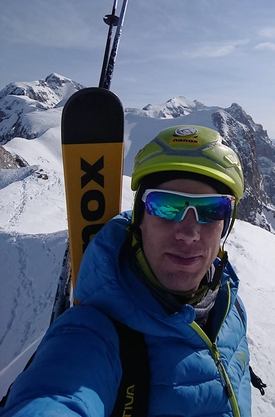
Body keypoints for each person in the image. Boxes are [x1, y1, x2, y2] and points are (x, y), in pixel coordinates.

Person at [1, 125, 252, 416]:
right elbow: (58, 393)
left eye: (211, 210)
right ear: (139, 218)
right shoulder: (96, 333)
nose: (188, 233)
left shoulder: (228, 306)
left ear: (226, 225)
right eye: (166, 206)